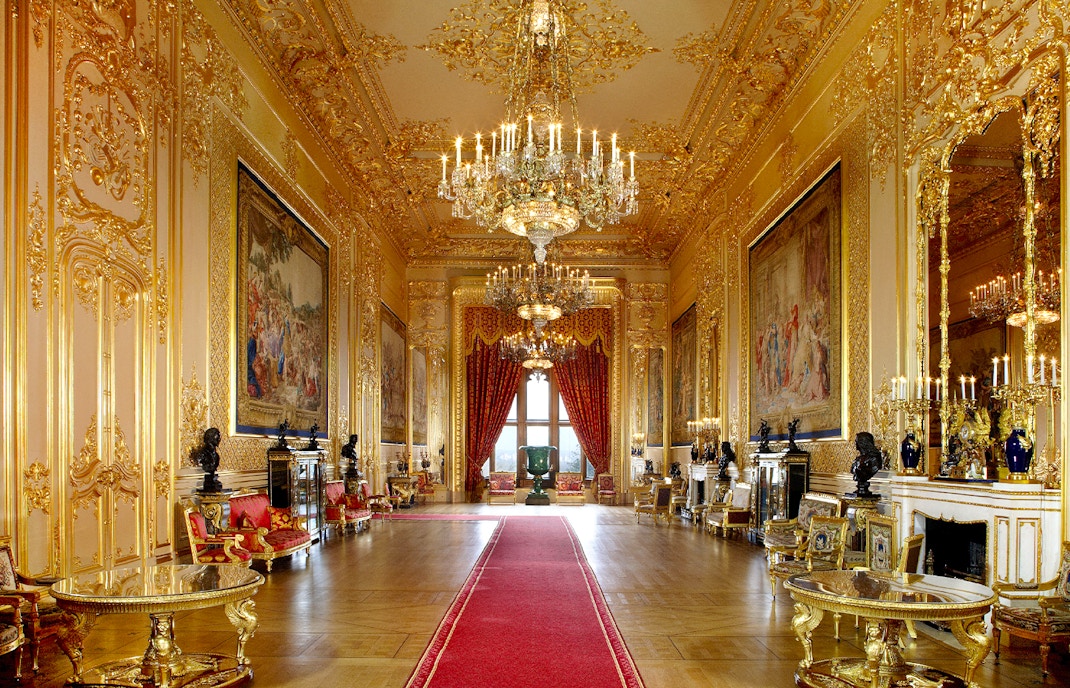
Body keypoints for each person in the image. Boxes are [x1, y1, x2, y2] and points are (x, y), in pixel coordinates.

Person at [850, 431, 883, 498]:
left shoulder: (874, 459)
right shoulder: (858, 459)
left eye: (857, 441)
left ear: (863, 442)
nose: (855, 443)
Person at [197, 427, 223, 493]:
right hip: (208, 485)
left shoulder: (216, 456)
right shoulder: (202, 454)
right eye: (217, 436)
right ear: (211, 437)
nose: (219, 439)